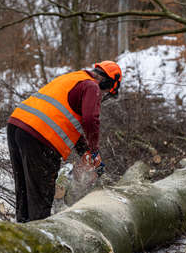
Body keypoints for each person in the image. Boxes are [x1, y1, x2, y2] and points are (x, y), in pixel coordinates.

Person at [7, 61, 122, 223]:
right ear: (107, 82)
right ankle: (40, 239)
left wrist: (86, 152)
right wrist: (94, 149)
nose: (102, 95)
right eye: (106, 92)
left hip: (16, 124)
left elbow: (64, 121)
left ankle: (21, 234)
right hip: (39, 136)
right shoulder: (92, 87)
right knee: (41, 196)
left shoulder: (74, 78)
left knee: (24, 191)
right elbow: (90, 120)